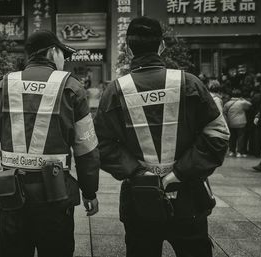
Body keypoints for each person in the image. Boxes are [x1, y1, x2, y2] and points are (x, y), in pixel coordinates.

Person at [94, 16, 229, 257]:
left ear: (127, 48)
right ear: (162, 46)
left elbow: (100, 145)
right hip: (189, 197)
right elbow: (217, 134)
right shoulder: (189, 83)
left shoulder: (115, 91)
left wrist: (137, 172)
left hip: (139, 198)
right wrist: (179, 172)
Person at [0, 30, 100, 257]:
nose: (64, 60)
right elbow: (86, 148)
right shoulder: (72, 87)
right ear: (52, 52)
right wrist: (90, 191)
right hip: (56, 192)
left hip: (11, 191)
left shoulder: (4, 85)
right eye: (63, 54)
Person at [223, 89, 252, 157]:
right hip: (241, 123)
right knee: (241, 138)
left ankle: (232, 151)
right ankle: (239, 152)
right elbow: (250, 104)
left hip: (231, 123)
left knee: (232, 138)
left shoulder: (228, 103)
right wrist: (242, 99)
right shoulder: (242, 103)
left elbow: (224, 112)